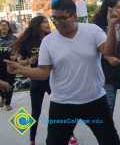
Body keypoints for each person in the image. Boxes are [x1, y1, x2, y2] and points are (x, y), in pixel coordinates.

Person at [5, 0, 120, 145]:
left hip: (94, 101)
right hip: (62, 103)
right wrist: (21, 70)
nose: (57, 23)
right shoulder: (49, 41)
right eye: (54, 18)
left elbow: (108, 51)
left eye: (62, 18)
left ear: (74, 16)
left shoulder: (92, 30)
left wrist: (111, 26)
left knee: (110, 140)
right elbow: (43, 73)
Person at [12, 15, 77, 145]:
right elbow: (21, 63)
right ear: (37, 25)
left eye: (48, 21)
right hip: (36, 81)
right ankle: (32, 139)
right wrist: (28, 61)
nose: (48, 24)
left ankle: (70, 135)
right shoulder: (27, 42)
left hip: (53, 80)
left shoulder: (54, 39)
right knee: (35, 112)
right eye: (44, 22)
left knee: (62, 109)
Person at [0, 20, 16, 111]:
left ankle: (7, 102)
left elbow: (18, 50)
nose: (4, 27)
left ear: (8, 27)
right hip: (0, 63)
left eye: (6, 25)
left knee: (9, 84)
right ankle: (2, 96)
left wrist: (16, 56)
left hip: (11, 63)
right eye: (2, 25)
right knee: (1, 83)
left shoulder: (13, 38)